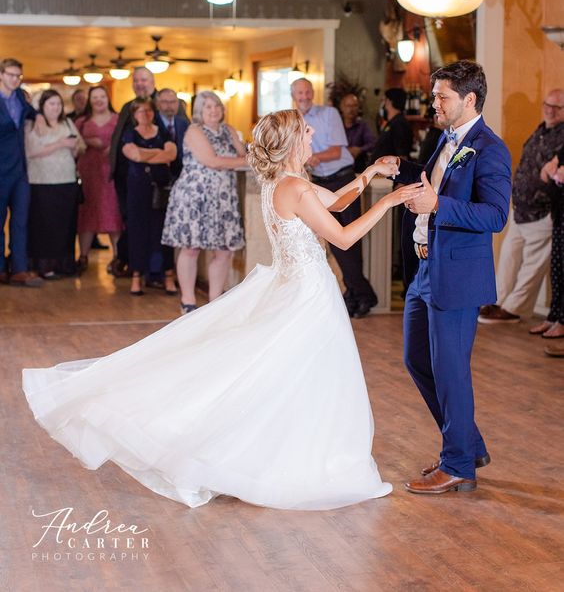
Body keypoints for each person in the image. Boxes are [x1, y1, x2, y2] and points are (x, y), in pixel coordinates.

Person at [22, 109, 422, 510]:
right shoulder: (295, 188)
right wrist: (387, 201)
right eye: (305, 129)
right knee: (303, 375)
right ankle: (295, 463)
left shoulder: (284, 183)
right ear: (290, 142)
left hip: (301, 288)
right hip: (308, 296)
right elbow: (344, 236)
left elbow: (335, 202)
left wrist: (369, 173)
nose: (312, 131)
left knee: (297, 377)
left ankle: (291, 455)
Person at [379, 60, 512, 494]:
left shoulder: (489, 148)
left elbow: (494, 215)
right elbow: (432, 183)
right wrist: (400, 167)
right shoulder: (446, 139)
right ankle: (468, 443)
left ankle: (457, 464)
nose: (434, 103)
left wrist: (437, 207)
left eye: (442, 97)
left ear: (469, 100)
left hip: (456, 275)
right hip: (424, 269)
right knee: (416, 360)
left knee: (450, 369)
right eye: (434, 95)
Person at [291, 77, 378, 318]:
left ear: (312, 93)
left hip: (342, 178)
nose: (305, 96)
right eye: (300, 92)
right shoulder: (292, 119)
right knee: (333, 242)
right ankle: (356, 293)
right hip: (319, 182)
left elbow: (336, 150)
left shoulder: (329, 114)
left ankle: (361, 295)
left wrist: (310, 157)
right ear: (294, 95)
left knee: (348, 242)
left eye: (308, 91)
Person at [479, 89, 564, 324]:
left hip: (543, 210)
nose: (550, 110)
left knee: (532, 265)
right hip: (521, 208)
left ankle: (514, 308)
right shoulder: (541, 130)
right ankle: (497, 300)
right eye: (547, 104)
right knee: (509, 256)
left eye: (557, 107)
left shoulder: (562, 135)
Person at [162, 91, 246, 314]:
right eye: (208, 107)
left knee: (224, 250)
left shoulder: (228, 130)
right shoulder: (194, 131)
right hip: (195, 196)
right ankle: (188, 300)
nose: (213, 110)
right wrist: (243, 161)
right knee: (191, 248)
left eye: (217, 106)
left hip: (224, 198)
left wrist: (248, 158)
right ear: (199, 111)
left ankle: (215, 302)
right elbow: (212, 161)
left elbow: (243, 153)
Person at [25, 89, 85, 279]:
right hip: (42, 181)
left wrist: (75, 147)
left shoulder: (67, 122)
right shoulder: (33, 123)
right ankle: (44, 266)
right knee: (45, 225)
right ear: (42, 106)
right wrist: (60, 144)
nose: (56, 108)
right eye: (51, 104)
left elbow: (81, 145)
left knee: (65, 225)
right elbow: (31, 151)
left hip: (66, 180)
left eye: (58, 104)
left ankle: (64, 264)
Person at [121, 97, 177, 297]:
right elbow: (134, 155)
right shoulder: (129, 134)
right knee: (138, 232)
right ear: (134, 115)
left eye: (148, 111)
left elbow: (170, 155)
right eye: (140, 111)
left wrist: (148, 154)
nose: (145, 115)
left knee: (162, 232)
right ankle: (136, 278)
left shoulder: (163, 132)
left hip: (160, 189)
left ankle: (167, 276)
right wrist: (157, 152)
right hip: (138, 190)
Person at [108, 66, 157, 276]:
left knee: (149, 223)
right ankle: (128, 262)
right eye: (136, 80)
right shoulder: (128, 106)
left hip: (152, 177)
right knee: (129, 220)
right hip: (124, 176)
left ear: (152, 82)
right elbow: (118, 138)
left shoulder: (161, 103)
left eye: (144, 80)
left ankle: (147, 269)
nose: (140, 84)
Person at [0, 58, 42, 287]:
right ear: (1, 75)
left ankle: (19, 269)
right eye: (10, 75)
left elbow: (32, 113)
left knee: (20, 221)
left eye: (18, 76)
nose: (15, 79)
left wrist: (39, 118)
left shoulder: (19, 97)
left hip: (20, 171)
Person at [75, 86, 123, 272]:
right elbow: (75, 144)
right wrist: (88, 142)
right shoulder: (81, 121)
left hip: (110, 173)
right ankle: (83, 257)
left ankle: (118, 257)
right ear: (90, 100)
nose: (99, 100)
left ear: (107, 98)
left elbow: (125, 141)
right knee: (86, 213)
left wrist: (114, 148)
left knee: (112, 212)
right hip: (88, 173)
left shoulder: (118, 120)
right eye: (95, 97)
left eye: (102, 96)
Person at [530, 146, 564, 347]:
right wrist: (552, 173)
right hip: (559, 215)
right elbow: (547, 179)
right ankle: (554, 316)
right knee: (557, 271)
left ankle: (562, 321)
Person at [370, 88, 413, 162]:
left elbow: (402, 156)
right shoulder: (393, 122)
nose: (382, 103)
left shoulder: (399, 123)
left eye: (384, 99)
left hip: (389, 172)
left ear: (389, 101)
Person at [156, 88, 190, 180]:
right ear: (158, 104)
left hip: (181, 176)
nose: (169, 105)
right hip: (158, 177)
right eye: (165, 102)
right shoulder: (151, 122)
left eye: (173, 102)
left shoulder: (184, 123)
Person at [338, 92, 376, 173]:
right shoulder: (335, 125)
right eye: (348, 106)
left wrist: (359, 149)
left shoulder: (363, 125)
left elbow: (373, 143)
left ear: (358, 108)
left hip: (359, 169)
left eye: (354, 106)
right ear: (342, 107)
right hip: (338, 170)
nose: (351, 109)